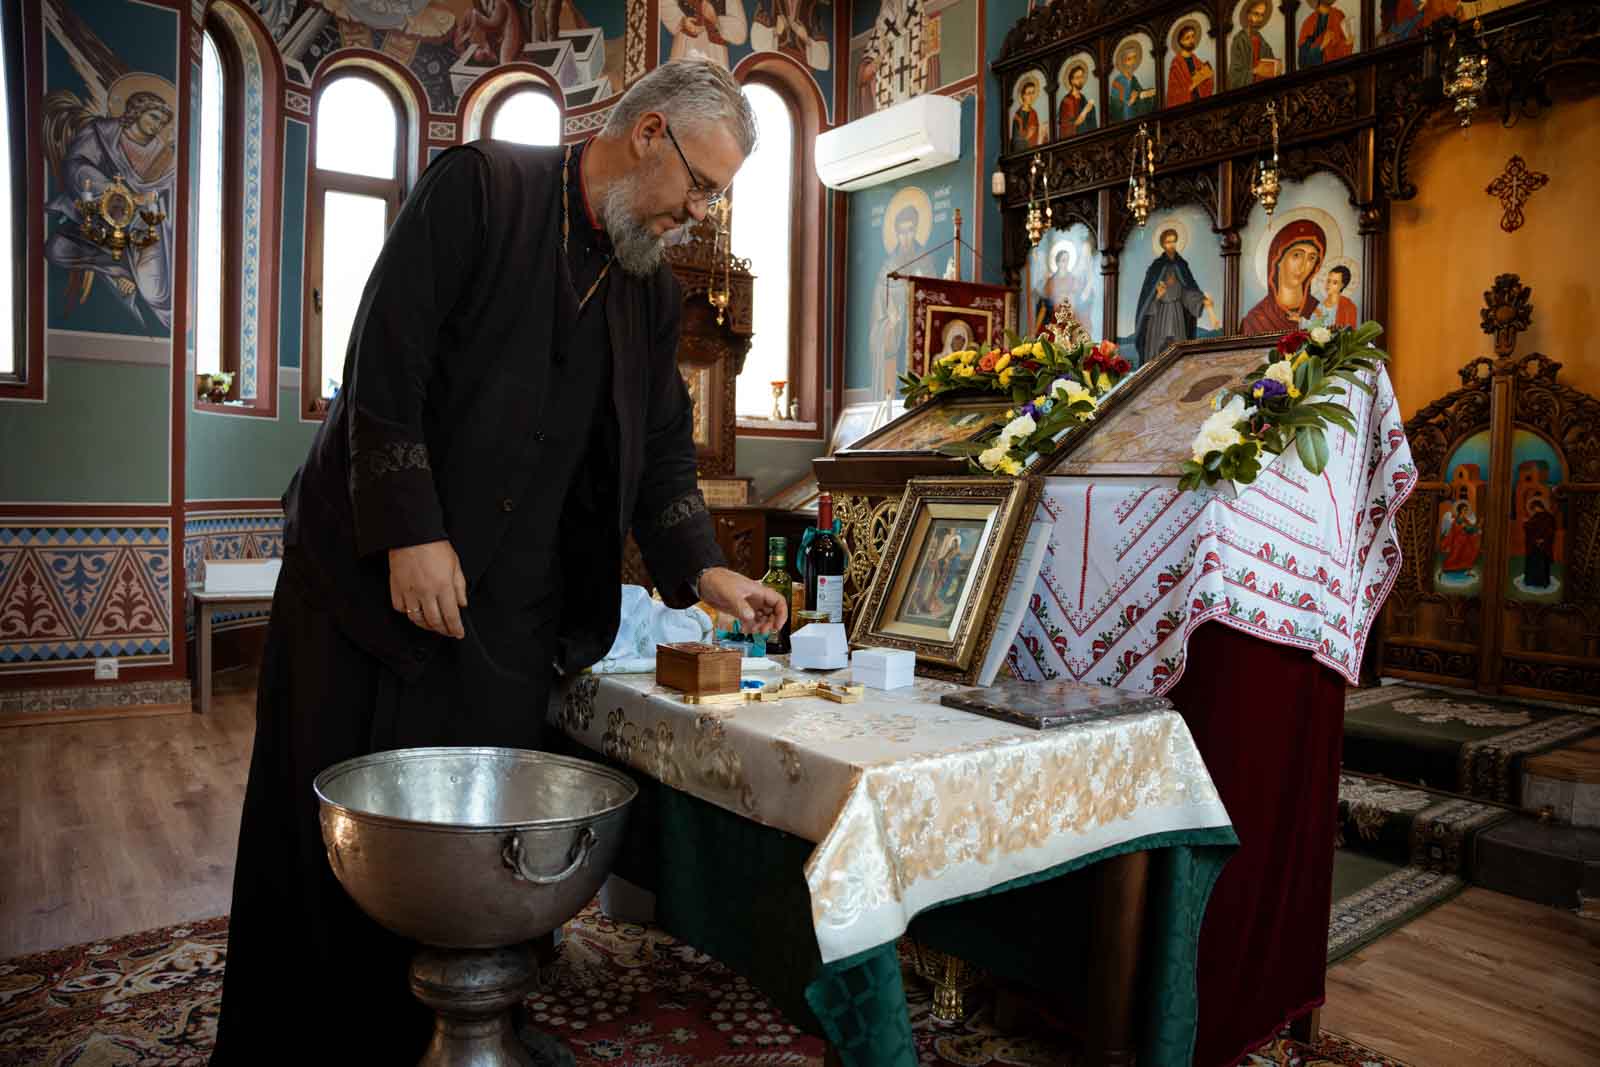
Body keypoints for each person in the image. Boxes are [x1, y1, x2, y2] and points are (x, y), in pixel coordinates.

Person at [210, 60, 786, 1065]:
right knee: (335, 834)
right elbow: (384, 364)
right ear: (648, 131)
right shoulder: (481, 189)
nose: (700, 213)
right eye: (700, 185)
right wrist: (408, 530)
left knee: (473, 843)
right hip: (364, 580)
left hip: (509, 612)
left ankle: (457, 1031)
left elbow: (658, 452)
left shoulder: (649, 290)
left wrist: (703, 570)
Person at [1132, 228, 1217, 366]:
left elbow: (1187, 290)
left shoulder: (1181, 265)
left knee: (1178, 349)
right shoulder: (1156, 267)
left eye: (1173, 241)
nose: (1171, 245)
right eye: (1167, 242)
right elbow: (1146, 299)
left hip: (1177, 313)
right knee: (1158, 352)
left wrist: (1201, 301)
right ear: (1163, 244)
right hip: (1159, 315)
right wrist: (1157, 296)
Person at [1242, 218, 1326, 334]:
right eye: (1297, 255)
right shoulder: (1257, 319)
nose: (1303, 266)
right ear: (1278, 260)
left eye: (1311, 258)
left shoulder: (1318, 311)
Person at [660, 0, 749, 67]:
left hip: (715, 53)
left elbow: (740, 33)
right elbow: (664, 4)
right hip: (685, 45)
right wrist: (682, 21)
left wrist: (715, 19)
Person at [1230, 0, 1281, 88]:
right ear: (1248, 15)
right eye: (1256, 14)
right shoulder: (1240, 40)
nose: (1259, 19)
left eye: (1262, 15)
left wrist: (1276, 67)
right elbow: (1235, 76)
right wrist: (1255, 71)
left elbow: (1270, 65)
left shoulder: (1264, 43)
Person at [1167, 21, 1215, 105]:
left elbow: (1206, 86)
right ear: (1181, 41)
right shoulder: (1176, 64)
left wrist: (1209, 77)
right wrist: (1191, 87)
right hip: (1186, 107)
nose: (1191, 40)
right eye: (1187, 38)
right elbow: (1173, 94)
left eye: (1193, 37)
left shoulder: (1197, 61)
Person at [1298, 0, 1353, 67]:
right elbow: (1303, 61)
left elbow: (1343, 54)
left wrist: (1347, 44)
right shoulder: (1309, 23)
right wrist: (1321, 45)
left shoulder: (1339, 16)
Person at [1305, 263, 1358, 330]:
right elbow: (1311, 327)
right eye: (1328, 281)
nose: (1329, 285)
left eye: (1335, 282)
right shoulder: (1319, 306)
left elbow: (1350, 332)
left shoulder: (1348, 307)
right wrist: (1300, 320)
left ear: (1342, 285)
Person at [1108, 44, 1151, 122]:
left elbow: (1139, 92)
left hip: (1135, 116)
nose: (1133, 62)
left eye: (1135, 58)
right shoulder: (1118, 81)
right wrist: (1131, 101)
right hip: (1126, 118)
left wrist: (1147, 93)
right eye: (1129, 59)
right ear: (1124, 61)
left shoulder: (1133, 79)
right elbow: (1115, 105)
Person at [1439, 500, 1481, 577]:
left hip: (1466, 541)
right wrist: (1476, 527)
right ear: (1460, 510)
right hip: (1458, 542)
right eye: (1464, 510)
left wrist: (1477, 527)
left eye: (1466, 510)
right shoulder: (1458, 520)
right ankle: (1443, 570)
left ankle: (1467, 570)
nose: (1466, 511)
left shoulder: (1465, 520)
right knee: (1454, 556)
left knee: (1468, 553)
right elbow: (1468, 529)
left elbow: (1470, 528)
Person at [1522, 498, 1557, 589]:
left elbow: (1550, 531)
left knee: (1541, 564)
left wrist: (1543, 540)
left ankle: (1541, 582)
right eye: (1533, 508)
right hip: (1535, 545)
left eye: (1534, 508)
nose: (1533, 510)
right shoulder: (1538, 516)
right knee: (1535, 563)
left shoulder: (1548, 517)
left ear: (1539, 507)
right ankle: (1534, 582)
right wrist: (1526, 524)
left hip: (1542, 546)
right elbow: (1531, 527)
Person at [1058, 62, 1098, 134]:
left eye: (1082, 77)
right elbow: (1071, 125)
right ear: (1072, 80)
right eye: (1077, 77)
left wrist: (1091, 109)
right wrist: (1085, 110)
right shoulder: (1067, 101)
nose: (1080, 80)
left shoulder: (1083, 98)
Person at [1011, 78, 1043, 151]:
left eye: (1033, 93)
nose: (1031, 96)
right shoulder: (1018, 116)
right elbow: (1016, 141)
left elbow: (1037, 133)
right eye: (1028, 93)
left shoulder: (1034, 113)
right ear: (1023, 95)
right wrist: (1027, 136)